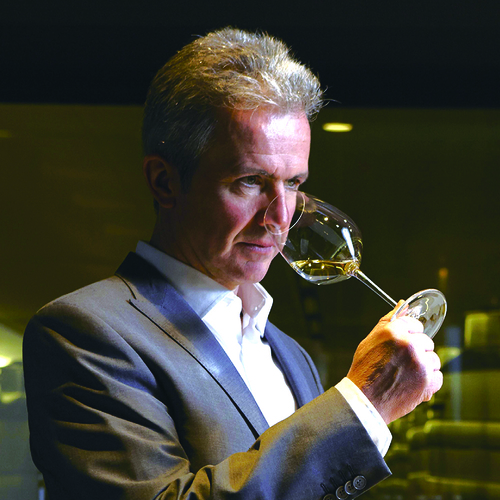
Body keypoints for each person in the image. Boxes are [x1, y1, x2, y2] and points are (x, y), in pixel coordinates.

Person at [23, 28, 442, 500]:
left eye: (293, 183)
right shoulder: (82, 334)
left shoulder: (291, 355)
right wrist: (364, 403)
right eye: (250, 181)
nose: (280, 218)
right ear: (164, 182)